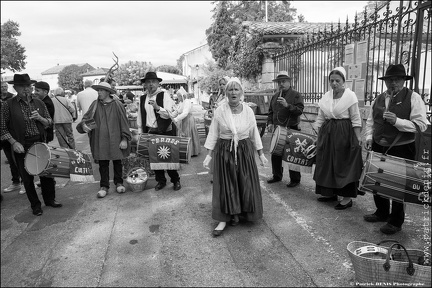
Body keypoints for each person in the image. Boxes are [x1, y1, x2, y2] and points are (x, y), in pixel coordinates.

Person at [363, 64, 428, 234]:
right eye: (389, 80)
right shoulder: (378, 99)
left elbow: (421, 125)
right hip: (379, 144)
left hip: (402, 147)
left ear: (403, 80)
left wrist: (397, 121)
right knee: (377, 179)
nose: (393, 83)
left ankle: (396, 221)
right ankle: (382, 212)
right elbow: (371, 122)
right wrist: (369, 138)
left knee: (398, 184)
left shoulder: (413, 97)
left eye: (397, 79)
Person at [203, 77, 268, 237]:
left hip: (244, 149)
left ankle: (242, 213)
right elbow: (213, 133)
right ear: (226, 93)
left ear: (241, 92)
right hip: (225, 149)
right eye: (230, 89)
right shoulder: (220, 111)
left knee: (244, 182)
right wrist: (209, 154)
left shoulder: (248, 111)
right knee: (227, 183)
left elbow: (254, 134)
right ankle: (224, 218)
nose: (233, 92)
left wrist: (261, 153)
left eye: (236, 89)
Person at [0, 74, 61, 216]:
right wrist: (13, 143)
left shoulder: (39, 102)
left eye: (28, 86)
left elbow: (49, 122)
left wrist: (40, 118)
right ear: (15, 88)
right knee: (27, 178)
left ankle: (50, 200)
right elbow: (2, 128)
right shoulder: (8, 105)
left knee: (46, 173)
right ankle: (35, 205)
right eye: (22, 87)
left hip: (39, 142)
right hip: (21, 144)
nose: (26, 89)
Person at [313, 67, 363, 210]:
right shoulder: (326, 97)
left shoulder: (350, 96)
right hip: (327, 134)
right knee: (327, 163)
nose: (334, 83)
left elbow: (355, 118)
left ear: (343, 81)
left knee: (343, 164)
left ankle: (347, 199)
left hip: (344, 134)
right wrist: (317, 133)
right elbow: (321, 117)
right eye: (332, 80)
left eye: (337, 80)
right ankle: (329, 193)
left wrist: (357, 137)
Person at [78, 82, 131, 198]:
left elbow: (124, 122)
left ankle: (119, 183)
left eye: (101, 90)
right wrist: (85, 125)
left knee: (117, 161)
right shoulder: (95, 105)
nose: (99, 93)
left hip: (115, 139)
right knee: (103, 163)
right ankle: (104, 186)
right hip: (100, 139)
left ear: (108, 92)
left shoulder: (117, 104)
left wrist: (124, 139)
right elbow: (87, 119)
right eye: (98, 91)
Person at [137, 71, 181, 191]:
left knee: (168, 157)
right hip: (150, 132)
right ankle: (161, 181)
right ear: (145, 84)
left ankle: (175, 180)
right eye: (148, 82)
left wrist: (157, 107)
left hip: (164, 131)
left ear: (157, 83)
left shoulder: (164, 95)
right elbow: (140, 116)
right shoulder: (142, 98)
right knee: (155, 159)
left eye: (153, 82)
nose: (151, 84)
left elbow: (170, 114)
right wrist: (141, 132)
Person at [266, 71, 304, 188]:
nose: (281, 84)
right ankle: (277, 175)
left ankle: (295, 179)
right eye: (279, 82)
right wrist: (270, 123)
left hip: (291, 128)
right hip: (277, 128)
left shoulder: (296, 95)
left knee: (292, 153)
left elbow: (300, 110)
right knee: (276, 153)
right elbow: (271, 112)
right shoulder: (275, 96)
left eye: (283, 81)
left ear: (289, 82)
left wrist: (288, 105)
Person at [33, 81, 56, 190]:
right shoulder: (43, 101)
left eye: (37, 90)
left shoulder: (46, 103)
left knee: (43, 158)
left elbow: (47, 121)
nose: (35, 92)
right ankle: (46, 181)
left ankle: (48, 181)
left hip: (45, 134)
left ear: (45, 91)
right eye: (35, 90)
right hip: (44, 134)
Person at [1, 81, 22, 194]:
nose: (4, 88)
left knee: (19, 159)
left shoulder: (12, 98)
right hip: (3, 135)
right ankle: (16, 182)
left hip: (13, 133)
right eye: (2, 87)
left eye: (5, 86)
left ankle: (24, 182)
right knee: (10, 159)